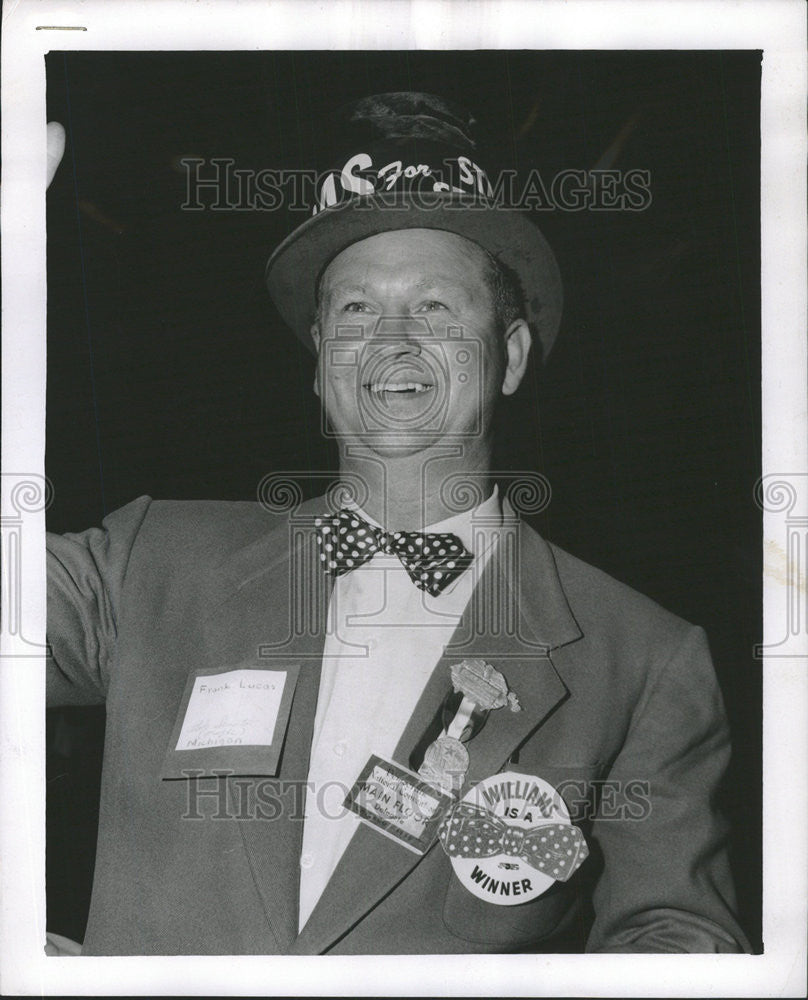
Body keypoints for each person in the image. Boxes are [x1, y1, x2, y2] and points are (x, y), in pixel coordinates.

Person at [46, 92, 751, 954]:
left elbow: (678, 941)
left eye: (437, 308)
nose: (391, 339)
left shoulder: (642, 659)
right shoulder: (148, 562)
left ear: (512, 356)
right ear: (318, 364)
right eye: (354, 311)